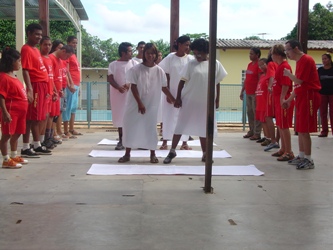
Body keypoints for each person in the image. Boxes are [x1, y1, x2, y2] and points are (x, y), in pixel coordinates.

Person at [163, 38, 227, 164]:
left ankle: (205, 154)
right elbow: (182, 81)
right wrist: (178, 98)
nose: (196, 56)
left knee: (204, 128)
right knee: (180, 126)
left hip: (206, 103)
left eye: (199, 53)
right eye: (195, 53)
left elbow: (217, 82)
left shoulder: (215, 64)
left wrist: (217, 99)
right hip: (189, 101)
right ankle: (172, 151)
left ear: (206, 52)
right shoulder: (191, 64)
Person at [118, 43, 175, 163]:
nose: (150, 55)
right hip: (135, 104)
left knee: (150, 129)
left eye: (153, 53)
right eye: (148, 53)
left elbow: (164, 87)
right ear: (144, 54)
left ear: (155, 55)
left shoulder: (160, 71)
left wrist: (173, 99)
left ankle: (152, 154)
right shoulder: (136, 69)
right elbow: (133, 87)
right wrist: (139, 103)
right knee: (130, 127)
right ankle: (127, 154)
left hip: (152, 105)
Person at [283, 40, 321, 170]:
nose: (287, 53)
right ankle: (301, 155)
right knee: (299, 128)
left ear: (296, 48)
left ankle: (309, 159)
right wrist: (289, 100)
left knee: (305, 130)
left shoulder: (306, 60)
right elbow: (298, 86)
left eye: (288, 49)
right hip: (301, 96)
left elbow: (299, 81)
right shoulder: (299, 62)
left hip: (309, 96)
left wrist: (288, 75)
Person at [20, 23, 52, 157]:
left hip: (43, 85)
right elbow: (25, 70)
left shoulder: (35, 50)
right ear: (29, 34)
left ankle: (37, 144)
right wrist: (30, 89)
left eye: (40, 34)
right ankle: (26, 147)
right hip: (36, 85)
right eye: (36, 34)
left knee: (39, 117)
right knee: (31, 117)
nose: (39, 37)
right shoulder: (26, 49)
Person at [159, 35, 194, 150]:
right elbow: (165, 73)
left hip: (185, 92)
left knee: (184, 117)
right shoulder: (170, 57)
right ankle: (165, 142)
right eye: (186, 45)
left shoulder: (190, 59)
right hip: (171, 91)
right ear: (179, 44)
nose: (187, 47)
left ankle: (184, 142)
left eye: (189, 45)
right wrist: (168, 93)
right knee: (168, 116)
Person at [0, 48, 29, 168]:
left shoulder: (13, 75)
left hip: (21, 111)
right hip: (11, 111)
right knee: (7, 135)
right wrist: (5, 113)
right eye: (18, 61)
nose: (20, 63)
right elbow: (1, 96)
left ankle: (13, 155)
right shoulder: (3, 77)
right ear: (10, 61)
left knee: (18, 133)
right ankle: (6, 159)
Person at [107, 42, 138, 150]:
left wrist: (129, 84)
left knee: (131, 117)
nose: (131, 53)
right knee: (120, 117)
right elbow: (110, 78)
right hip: (118, 95)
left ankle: (132, 140)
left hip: (131, 94)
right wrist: (118, 87)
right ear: (123, 53)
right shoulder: (113, 64)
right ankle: (121, 140)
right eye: (129, 51)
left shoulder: (134, 63)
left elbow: (137, 77)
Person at [270, 44, 294, 161]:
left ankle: (289, 151)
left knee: (284, 126)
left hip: (282, 99)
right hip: (278, 98)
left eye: (272, 54)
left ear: (277, 54)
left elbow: (286, 84)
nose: (271, 57)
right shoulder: (279, 66)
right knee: (280, 125)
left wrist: (283, 98)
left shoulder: (285, 66)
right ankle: (284, 149)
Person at [240, 47, 262, 140]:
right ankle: (251, 130)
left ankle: (257, 133)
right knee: (250, 112)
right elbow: (247, 79)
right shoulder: (249, 65)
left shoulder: (259, 65)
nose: (250, 55)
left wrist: (258, 92)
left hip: (255, 93)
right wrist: (242, 90)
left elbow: (260, 79)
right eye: (249, 53)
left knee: (256, 112)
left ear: (257, 55)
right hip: (248, 92)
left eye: (252, 54)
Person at [39, 36, 57, 150]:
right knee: (42, 117)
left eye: (49, 45)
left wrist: (54, 90)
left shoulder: (49, 59)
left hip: (50, 92)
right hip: (43, 92)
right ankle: (39, 141)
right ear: (40, 45)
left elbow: (51, 77)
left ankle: (46, 139)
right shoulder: (40, 58)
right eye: (45, 44)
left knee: (48, 116)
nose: (48, 47)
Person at [63, 36, 82, 137]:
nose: (75, 45)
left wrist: (78, 86)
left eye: (76, 43)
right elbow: (66, 70)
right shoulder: (67, 55)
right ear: (68, 42)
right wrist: (69, 83)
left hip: (76, 84)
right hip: (71, 84)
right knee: (68, 107)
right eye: (73, 43)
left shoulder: (73, 55)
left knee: (74, 107)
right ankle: (66, 130)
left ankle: (71, 128)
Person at [264, 52, 280, 151]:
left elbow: (272, 76)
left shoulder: (271, 64)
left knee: (268, 116)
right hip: (278, 92)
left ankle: (273, 140)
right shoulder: (281, 64)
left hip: (272, 92)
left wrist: (270, 86)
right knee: (279, 118)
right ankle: (276, 140)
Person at [317, 53, 333, 137]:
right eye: (323, 59)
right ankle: (324, 131)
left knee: (332, 113)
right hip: (322, 93)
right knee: (323, 113)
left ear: (330, 60)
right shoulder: (319, 70)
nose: (324, 60)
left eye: (325, 59)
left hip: (332, 94)